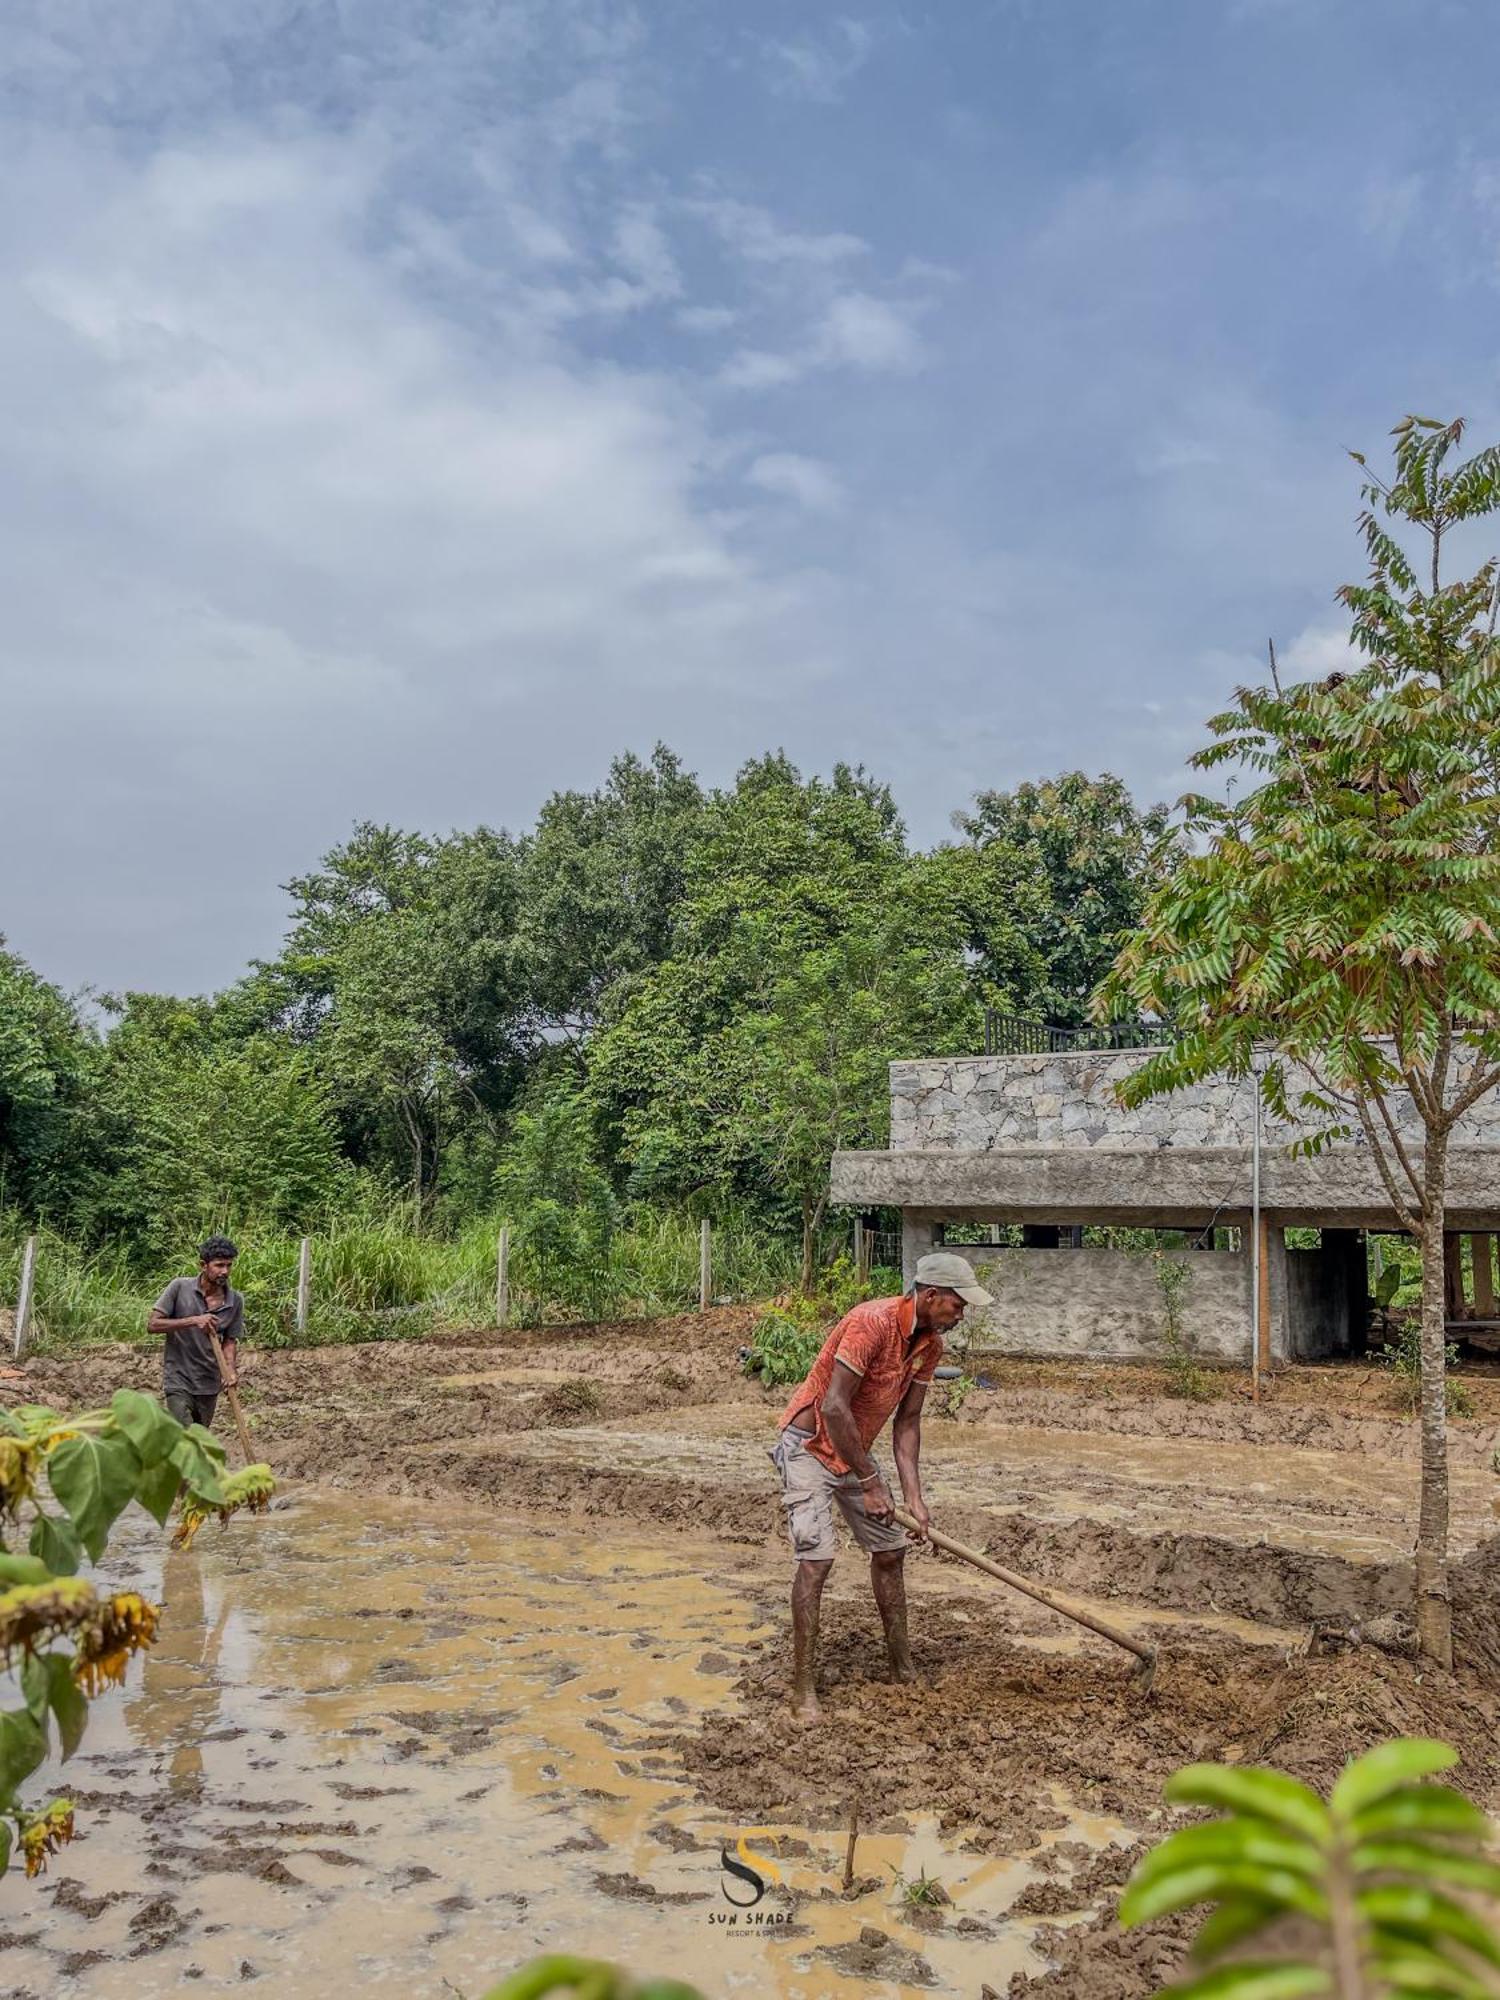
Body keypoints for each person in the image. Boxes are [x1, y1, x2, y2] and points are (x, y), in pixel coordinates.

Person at [770, 1250, 992, 1724]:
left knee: (890, 1551)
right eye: (958, 1304)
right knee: (818, 1557)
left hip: (853, 1449)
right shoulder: (871, 1322)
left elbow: (907, 1423)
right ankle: (803, 1689)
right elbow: (832, 1407)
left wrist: (914, 1497)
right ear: (931, 1296)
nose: (962, 1313)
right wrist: (871, 1482)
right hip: (809, 1445)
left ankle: (901, 1667)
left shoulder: (930, 1345)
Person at [148, 1236, 245, 1432]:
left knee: (200, 1438)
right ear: (203, 1265)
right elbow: (153, 1324)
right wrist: (194, 1320)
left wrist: (230, 1370)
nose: (224, 1271)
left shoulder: (235, 1300)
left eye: (228, 1265)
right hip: (178, 1378)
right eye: (219, 1265)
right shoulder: (179, 1287)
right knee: (185, 1434)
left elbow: (229, 1341)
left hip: (209, 1382)